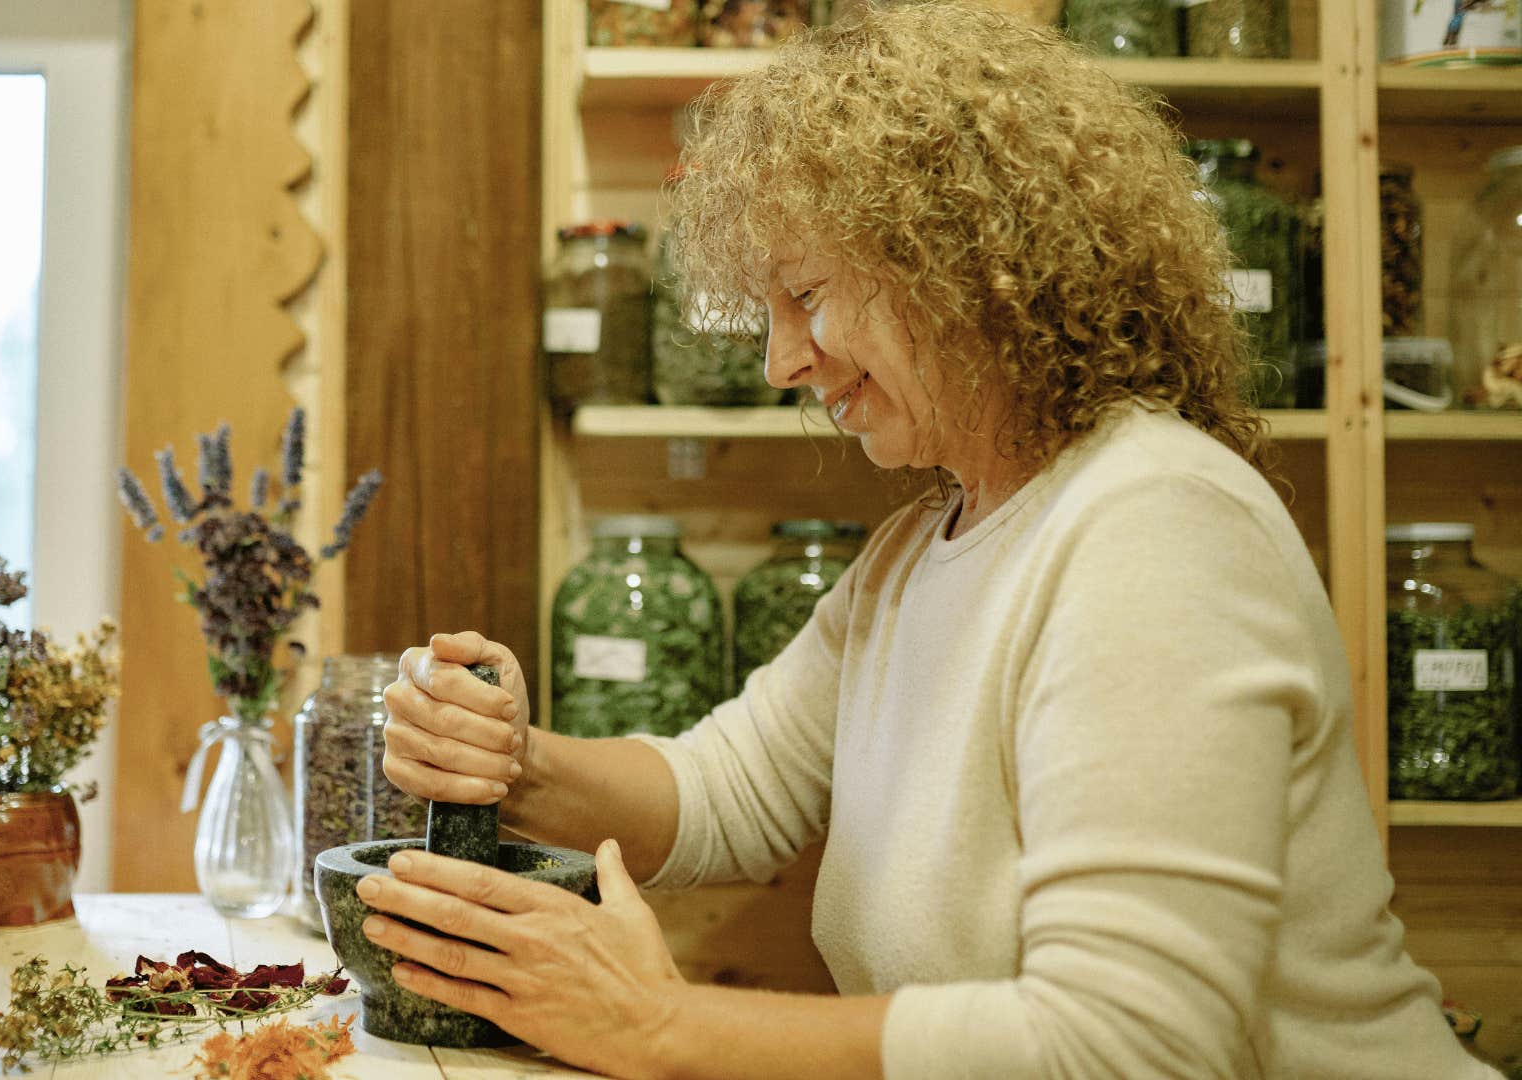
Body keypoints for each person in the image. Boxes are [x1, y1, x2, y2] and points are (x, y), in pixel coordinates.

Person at [362, 4, 1495, 1077]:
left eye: (806, 294)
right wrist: (515, 761)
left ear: (961, 266)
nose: (781, 364)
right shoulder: (919, 554)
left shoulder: (1155, 530)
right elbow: (728, 792)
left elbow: (1130, 1047)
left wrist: (663, 1026)